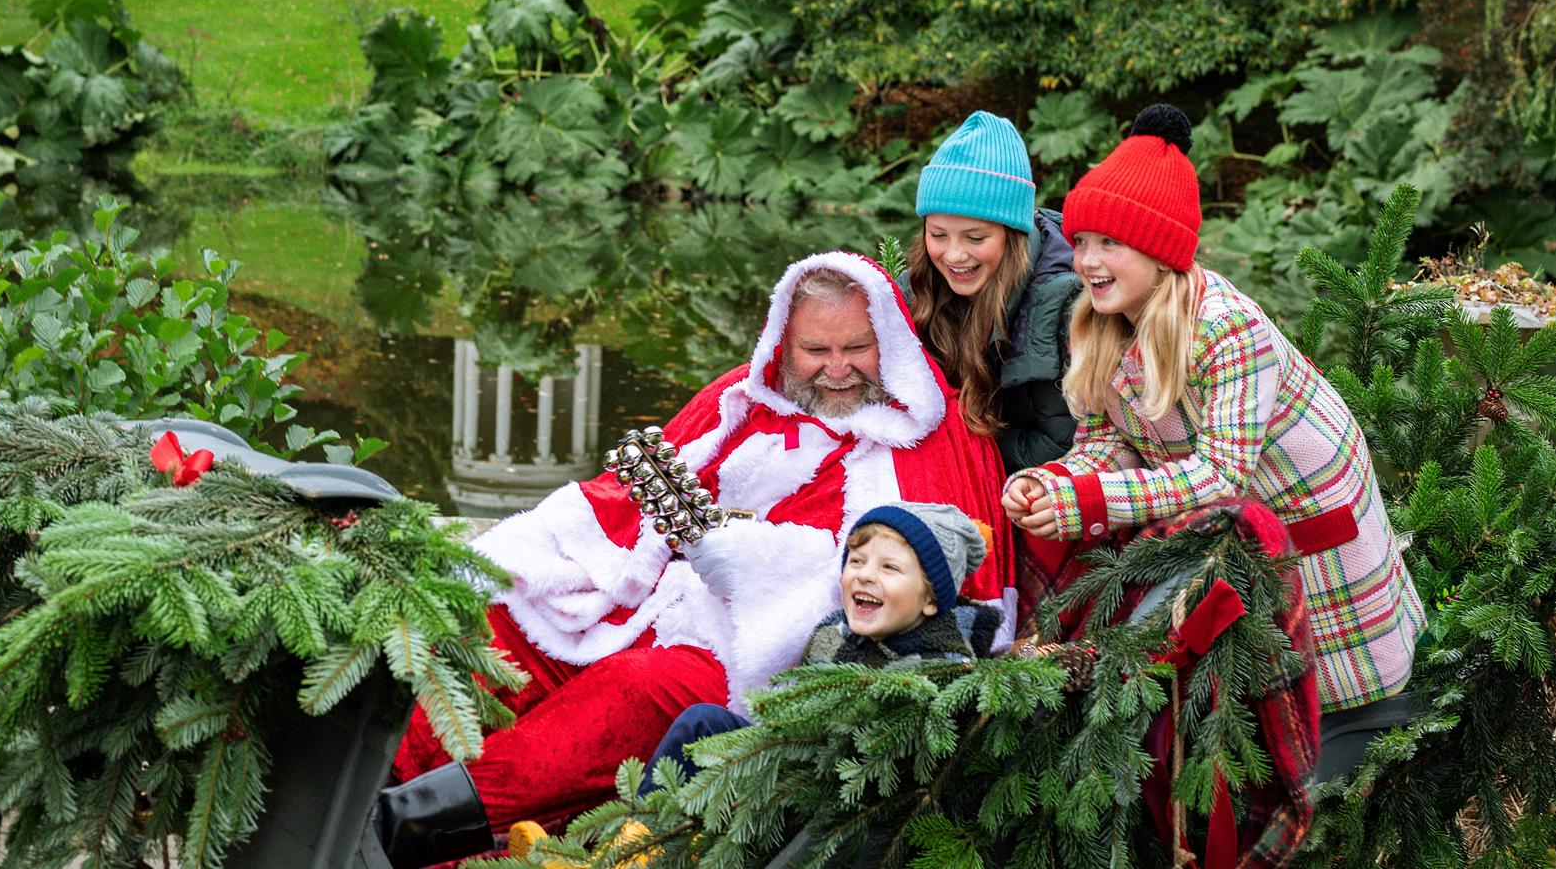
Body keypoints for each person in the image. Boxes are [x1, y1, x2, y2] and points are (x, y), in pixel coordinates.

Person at [381, 252, 1019, 866]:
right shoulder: (743, 399)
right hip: (662, 601)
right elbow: (625, 500)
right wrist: (522, 555)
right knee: (503, 619)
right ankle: (380, 782)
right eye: (816, 352)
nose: (837, 370)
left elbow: (939, 577)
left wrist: (756, 561)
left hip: (757, 647)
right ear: (782, 342)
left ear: (888, 337)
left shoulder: (931, 432)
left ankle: (408, 828)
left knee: (630, 693)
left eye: (856, 348)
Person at [1003, 104, 1425, 713]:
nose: (1087, 261)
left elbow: (1223, 473)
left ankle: (1366, 743)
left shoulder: (1228, 330)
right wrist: (1057, 482)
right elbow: (1106, 440)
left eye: (1110, 243)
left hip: (1303, 507)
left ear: (1159, 251)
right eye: (1081, 242)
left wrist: (1092, 503)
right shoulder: (1097, 323)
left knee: (1335, 682)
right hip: (1229, 522)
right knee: (1242, 687)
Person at [633, 501, 997, 795]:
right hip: (790, 759)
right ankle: (640, 835)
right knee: (702, 722)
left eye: (889, 568)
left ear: (931, 600)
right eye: (856, 561)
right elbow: (789, 711)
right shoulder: (831, 632)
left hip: (839, 790)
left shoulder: (941, 666)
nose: (866, 575)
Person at [903, 111, 1083, 474]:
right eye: (938, 235)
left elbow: (1061, 444)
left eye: (975, 238)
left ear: (1012, 235)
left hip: (1035, 488)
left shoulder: (1062, 302)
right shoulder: (919, 286)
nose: (953, 255)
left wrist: (957, 442)